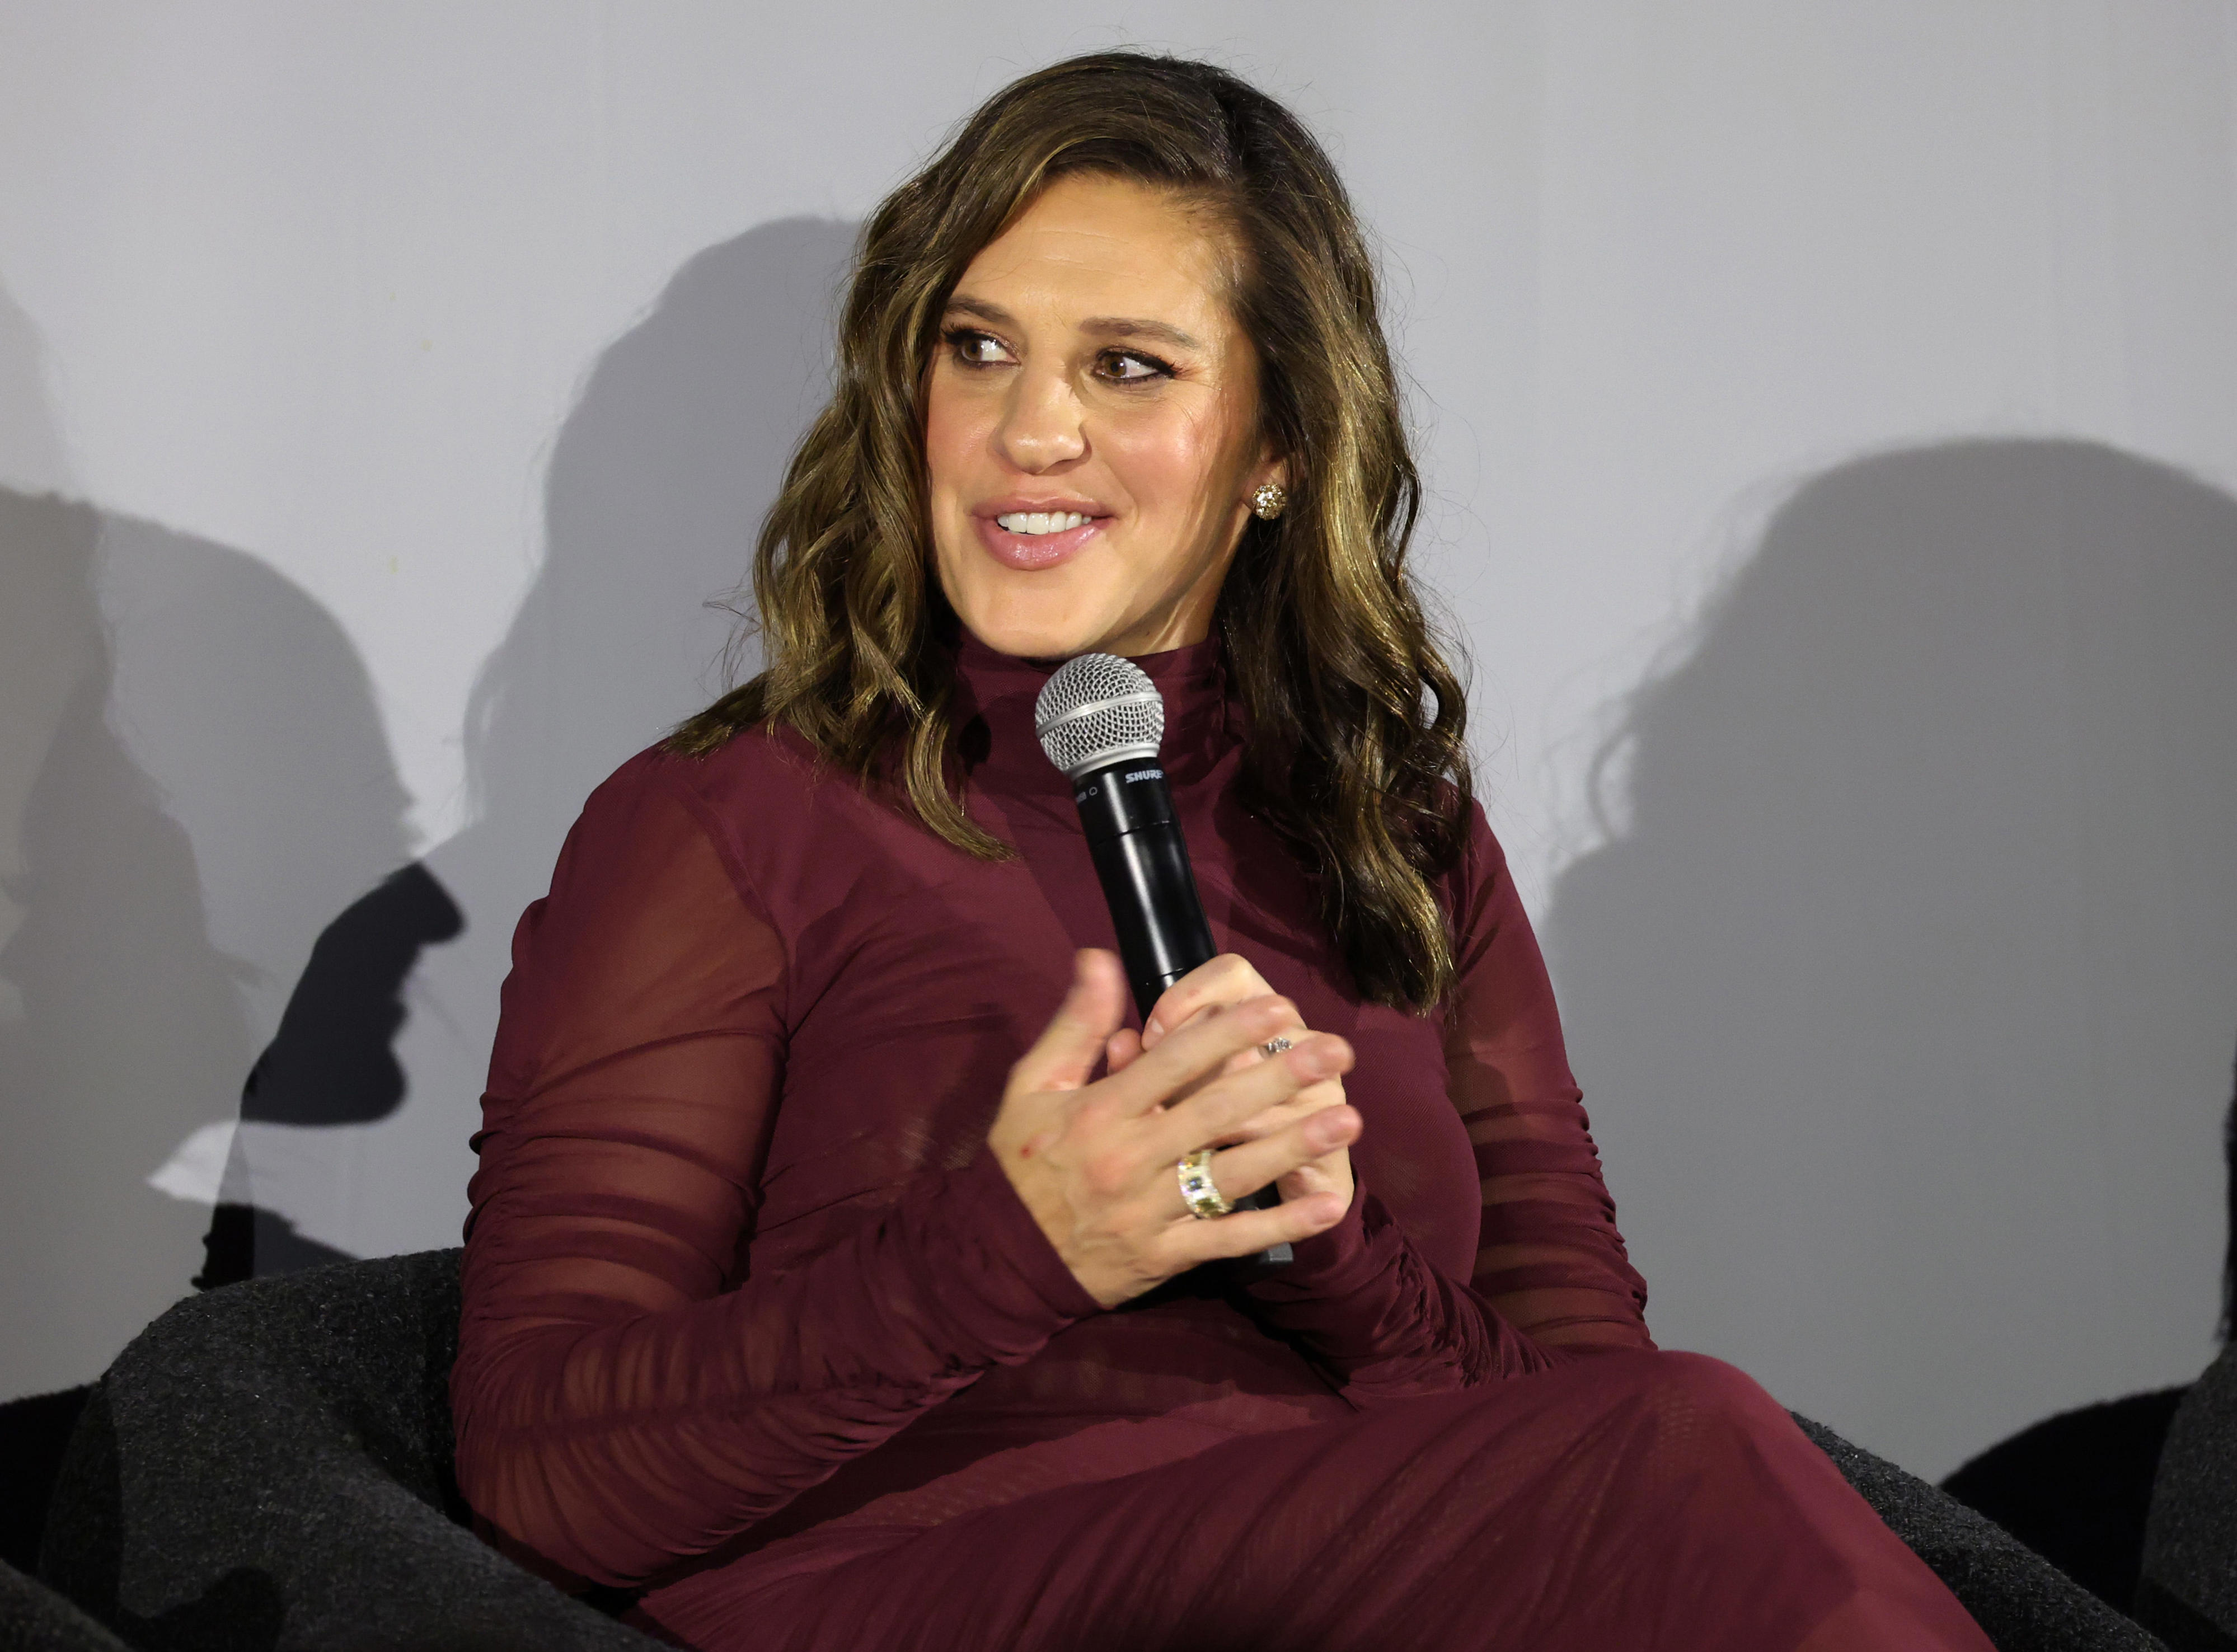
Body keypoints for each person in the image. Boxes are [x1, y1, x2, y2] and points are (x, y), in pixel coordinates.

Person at [449, 51, 1992, 1651]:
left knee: (1680, 1456)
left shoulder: (1397, 833)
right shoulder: (729, 819)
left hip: (1371, 1588)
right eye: (978, 349)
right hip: (909, 1593)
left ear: (1278, 450)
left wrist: (1333, 1251)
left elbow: (1579, 1414)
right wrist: (1021, 1243)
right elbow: (537, 1479)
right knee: (1700, 1443)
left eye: (1126, 367)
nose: (1029, 430)